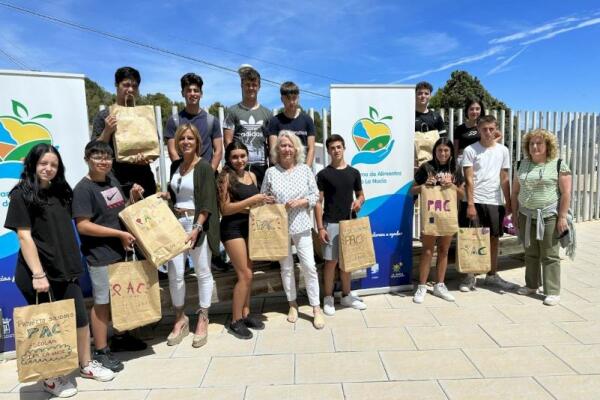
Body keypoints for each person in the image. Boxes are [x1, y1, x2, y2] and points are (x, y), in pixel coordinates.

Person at [5, 144, 115, 398]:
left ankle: (86, 365)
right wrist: (38, 274)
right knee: (48, 326)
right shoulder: (22, 194)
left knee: (79, 319)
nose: (48, 169)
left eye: (53, 165)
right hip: (38, 273)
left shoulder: (62, 191)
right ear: (32, 164)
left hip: (65, 268)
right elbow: (24, 237)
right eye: (43, 163)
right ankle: (51, 377)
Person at [73, 141, 147, 373]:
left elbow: (118, 209)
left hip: (119, 250)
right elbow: (83, 226)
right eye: (98, 157)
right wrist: (119, 234)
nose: (103, 161)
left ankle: (121, 338)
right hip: (100, 255)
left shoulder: (111, 180)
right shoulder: (83, 189)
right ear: (87, 159)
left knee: (119, 299)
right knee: (102, 302)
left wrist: (132, 198)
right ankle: (101, 350)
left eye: (107, 157)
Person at [261, 131, 324, 329]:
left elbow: (316, 196)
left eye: (289, 145)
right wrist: (270, 201)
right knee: (286, 267)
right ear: (277, 150)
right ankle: (292, 304)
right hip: (279, 229)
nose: (286, 149)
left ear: (296, 148)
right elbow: (263, 197)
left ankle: (316, 307)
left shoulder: (305, 170)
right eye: (282, 146)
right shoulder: (271, 172)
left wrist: (302, 201)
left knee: (309, 266)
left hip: (302, 225)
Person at [165, 123, 220, 347]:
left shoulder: (204, 167)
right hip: (175, 223)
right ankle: (180, 318)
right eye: (182, 139)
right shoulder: (175, 166)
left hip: (197, 223)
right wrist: (164, 195)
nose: (185, 142)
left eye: (190, 138)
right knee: (175, 273)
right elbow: (174, 193)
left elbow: (207, 202)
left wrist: (197, 228)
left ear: (198, 142)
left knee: (203, 271)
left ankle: (203, 317)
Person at [218, 141, 274, 339]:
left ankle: (246, 313)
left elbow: (253, 206)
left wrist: (264, 201)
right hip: (232, 229)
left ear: (247, 156)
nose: (239, 160)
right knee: (245, 275)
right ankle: (235, 321)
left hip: (250, 227)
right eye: (235, 157)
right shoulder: (225, 177)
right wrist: (253, 200)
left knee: (250, 273)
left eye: (242, 156)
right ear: (229, 158)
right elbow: (225, 209)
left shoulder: (252, 175)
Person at [511, 129, 572, 306]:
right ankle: (531, 285)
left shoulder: (559, 164)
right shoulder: (520, 164)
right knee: (530, 252)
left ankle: (552, 291)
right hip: (526, 215)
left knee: (550, 254)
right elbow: (515, 192)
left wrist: (562, 217)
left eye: (539, 143)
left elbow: (566, 193)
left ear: (547, 146)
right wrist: (515, 215)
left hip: (549, 216)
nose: (535, 146)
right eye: (532, 143)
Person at [460, 115, 514, 292]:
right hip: (474, 200)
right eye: (484, 129)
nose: (488, 132)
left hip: (494, 201)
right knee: (473, 239)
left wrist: (509, 202)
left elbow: (505, 178)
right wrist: (470, 204)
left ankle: (492, 275)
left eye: (491, 129)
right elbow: (468, 180)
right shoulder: (470, 150)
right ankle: (469, 276)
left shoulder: (503, 151)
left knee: (493, 239)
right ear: (478, 129)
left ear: (496, 128)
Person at [315, 134, 367, 315]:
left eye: (339, 147)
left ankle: (346, 296)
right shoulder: (323, 175)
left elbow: (361, 195)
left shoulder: (354, 173)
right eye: (332, 148)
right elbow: (318, 202)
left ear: (344, 148)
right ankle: (328, 298)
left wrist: (359, 202)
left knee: (347, 263)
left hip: (349, 223)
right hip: (330, 223)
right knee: (331, 262)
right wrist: (320, 227)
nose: (336, 150)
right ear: (328, 151)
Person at [411, 138, 464, 303]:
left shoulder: (455, 169)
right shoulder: (426, 167)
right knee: (427, 250)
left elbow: (462, 194)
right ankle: (422, 285)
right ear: (435, 151)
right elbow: (411, 190)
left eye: (446, 150)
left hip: (448, 214)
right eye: (439, 150)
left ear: (451, 152)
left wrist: (452, 187)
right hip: (431, 214)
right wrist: (425, 185)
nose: (443, 153)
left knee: (443, 250)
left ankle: (440, 285)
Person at [91, 66, 157, 197]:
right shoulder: (105, 115)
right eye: (126, 85)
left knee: (146, 217)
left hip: (144, 180)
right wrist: (107, 131)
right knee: (117, 217)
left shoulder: (144, 116)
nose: (131, 90)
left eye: (135, 86)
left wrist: (147, 158)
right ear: (117, 85)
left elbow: (154, 146)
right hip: (115, 182)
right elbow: (93, 150)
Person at [223, 66, 273, 187]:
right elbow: (227, 141)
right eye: (248, 84)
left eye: (254, 85)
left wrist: (272, 166)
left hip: (260, 166)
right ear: (242, 86)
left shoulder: (267, 113)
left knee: (261, 202)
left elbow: (271, 143)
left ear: (259, 87)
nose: (251, 88)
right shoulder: (232, 111)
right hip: (238, 166)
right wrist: (233, 162)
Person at [164, 73, 223, 170]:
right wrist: (184, 175)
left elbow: (218, 151)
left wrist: (209, 174)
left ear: (201, 94)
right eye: (188, 90)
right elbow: (172, 151)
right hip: (183, 176)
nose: (192, 94)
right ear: (182, 93)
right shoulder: (174, 121)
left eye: (196, 90)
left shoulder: (212, 121)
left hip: (206, 176)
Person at [267, 81, 316, 167]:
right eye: (288, 98)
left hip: (301, 170)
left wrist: (306, 170)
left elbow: (311, 148)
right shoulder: (275, 121)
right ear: (282, 99)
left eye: (294, 98)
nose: (292, 102)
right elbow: (273, 150)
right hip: (281, 171)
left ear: (298, 98)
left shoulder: (307, 120)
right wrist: (281, 171)